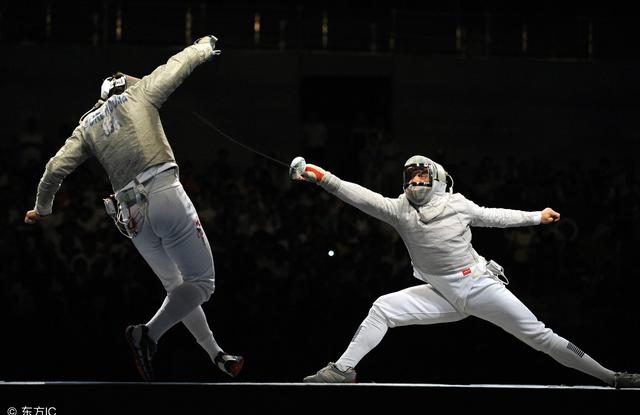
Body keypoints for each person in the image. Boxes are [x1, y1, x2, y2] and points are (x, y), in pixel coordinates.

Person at [294, 154, 640, 388]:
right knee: (383, 308)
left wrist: (537, 216)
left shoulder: (456, 205)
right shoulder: (399, 210)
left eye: (421, 175)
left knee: (540, 336)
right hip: (440, 294)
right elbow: (360, 196)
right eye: (410, 176)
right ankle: (342, 370)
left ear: (437, 180)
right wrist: (321, 176)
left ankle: (611, 377)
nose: (415, 181)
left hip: (478, 286)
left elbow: (497, 216)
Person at [24, 35, 244, 381]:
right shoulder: (139, 95)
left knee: (178, 289)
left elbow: (54, 169)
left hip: (129, 215)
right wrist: (204, 46)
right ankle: (149, 334)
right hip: (163, 194)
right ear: (124, 86)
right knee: (202, 283)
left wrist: (43, 209)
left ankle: (214, 353)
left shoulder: (87, 127)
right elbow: (177, 65)